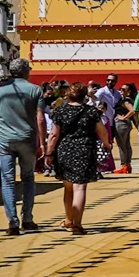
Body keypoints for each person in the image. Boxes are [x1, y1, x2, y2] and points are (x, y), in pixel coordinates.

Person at [0, 59, 45, 234]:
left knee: (7, 181)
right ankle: (27, 219)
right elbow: (40, 118)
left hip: (4, 138)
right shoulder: (35, 90)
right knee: (28, 178)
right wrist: (42, 142)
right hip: (27, 138)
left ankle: (12, 222)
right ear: (25, 72)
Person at [46, 80, 105, 236]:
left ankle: (68, 220)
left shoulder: (60, 111)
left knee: (68, 187)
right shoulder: (92, 112)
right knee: (80, 187)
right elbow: (102, 130)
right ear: (84, 96)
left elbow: (53, 134)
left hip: (64, 151)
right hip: (85, 150)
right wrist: (107, 143)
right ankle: (77, 224)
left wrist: (48, 152)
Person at [89, 76, 124, 175]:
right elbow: (95, 99)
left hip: (110, 122)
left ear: (115, 82)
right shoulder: (102, 91)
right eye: (108, 80)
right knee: (99, 145)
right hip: (100, 121)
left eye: (112, 80)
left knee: (108, 145)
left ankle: (104, 166)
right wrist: (91, 95)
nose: (109, 82)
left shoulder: (117, 93)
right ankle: (98, 168)